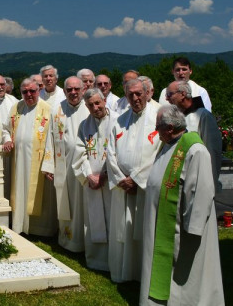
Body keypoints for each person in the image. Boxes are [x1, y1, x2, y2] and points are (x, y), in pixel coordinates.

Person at [139, 105, 224, 305]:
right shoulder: (168, 144)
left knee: (185, 272)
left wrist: (192, 228)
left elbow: (202, 190)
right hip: (162, 220)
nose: (155, 131)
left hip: (182, 229)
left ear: (169, 128)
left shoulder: (195, 150)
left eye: (158, 127)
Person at [106, 78, 161, 282]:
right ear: (126, 96)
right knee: (123, 231)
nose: (135, 98)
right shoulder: (119, 120)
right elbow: (110, 152)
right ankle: (122, 271)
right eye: (131, 94)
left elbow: (158, 153)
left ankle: (141, 274)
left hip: (143, 188)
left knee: (142, 231)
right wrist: (121, 179)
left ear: (148, 93)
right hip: (123, 188)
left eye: (139, 93)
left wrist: (136, 179)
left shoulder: (158, 118)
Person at [71, 88, 119, 271]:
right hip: (92, 182)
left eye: (98, 103)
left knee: (113, 220)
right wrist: (89, 175)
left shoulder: (117, 121)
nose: (95, 107)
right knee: (94, 219)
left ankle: (114, 260)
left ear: (104, 100)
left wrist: (105, 175)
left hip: (111, 182)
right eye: (90, 105)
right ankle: (97, 260)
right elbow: (79, 152)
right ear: (86, 106)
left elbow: (117, 152)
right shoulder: (85, 125)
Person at [2, 78, 55, 235]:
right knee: (19, 192)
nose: (29, 94)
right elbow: (5, 129)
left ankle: (40, 229)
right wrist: (7, 140)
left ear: (39, 90)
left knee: (40, 196)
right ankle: (20, 225)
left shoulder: (48, 109)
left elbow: (53, 139)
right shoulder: (16, 107)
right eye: (25, 92)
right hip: (18, 161)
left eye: (32, 91)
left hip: (39, 163)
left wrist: (49, 163)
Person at [53, 76, 90, 250]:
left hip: (87, 164)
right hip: (65, 165)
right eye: (69, 90)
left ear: (83, 90)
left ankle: (85, 241)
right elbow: (49, 138)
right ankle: (68, 240)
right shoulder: (58, 109)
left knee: (85, 204)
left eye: (76, 89)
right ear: (65, 91)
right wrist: (48, 165)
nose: (73, 93)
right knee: (66, 203)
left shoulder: (90, 108)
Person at [166, 80, 222, 191]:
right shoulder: (176, 117)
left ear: (182, 94)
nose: (167, 99)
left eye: (170, 94)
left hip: (197, 179)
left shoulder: (203, 116)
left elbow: (213, 152)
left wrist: (210, 184)